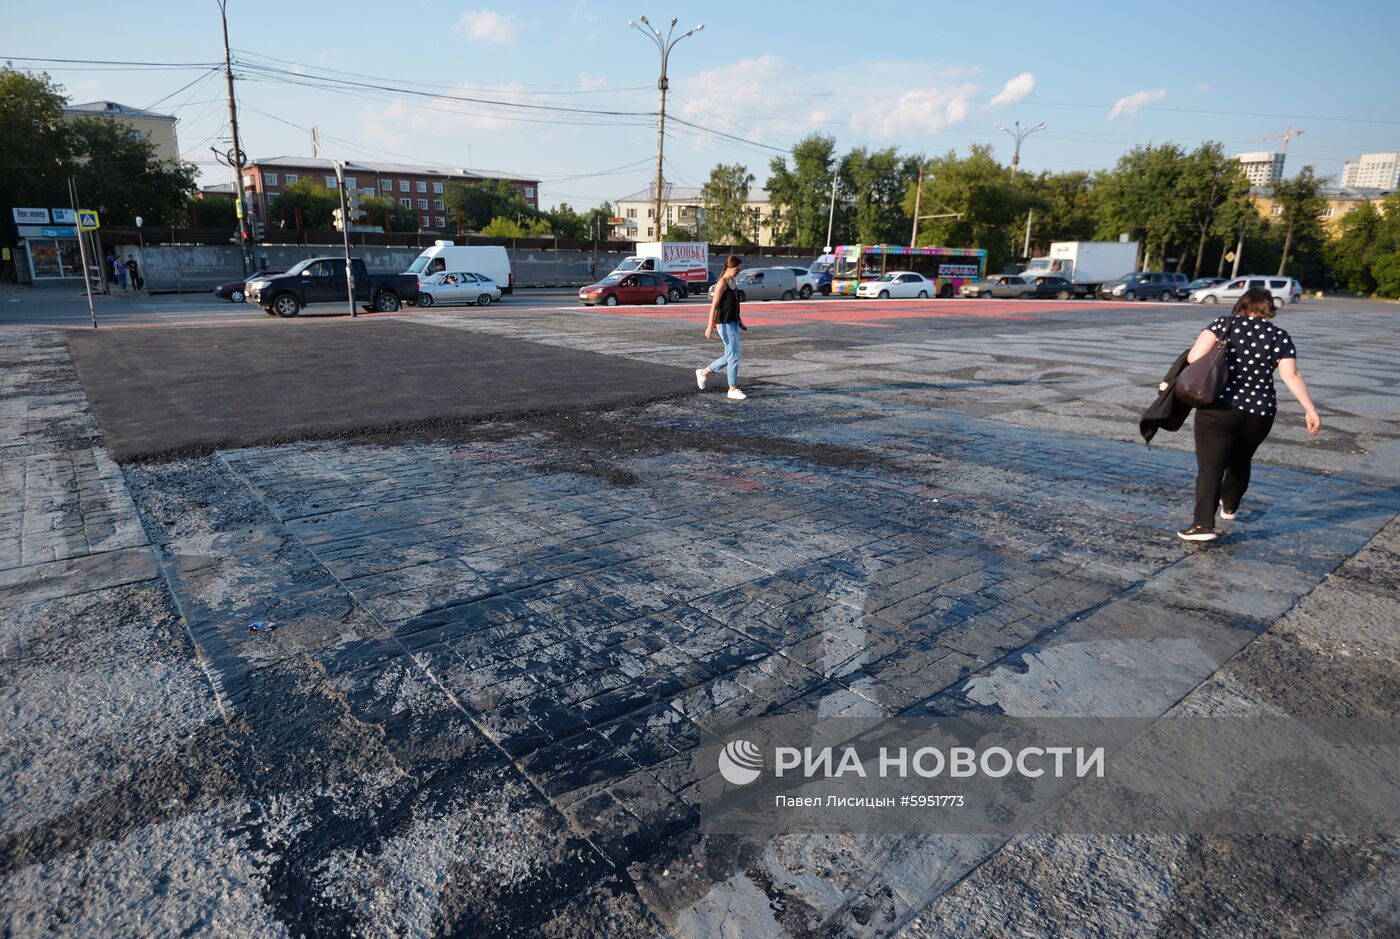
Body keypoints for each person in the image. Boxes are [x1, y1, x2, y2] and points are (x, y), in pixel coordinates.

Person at [1177, 287, 1320, 542]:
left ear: (1242, 304)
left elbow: (1195, 356)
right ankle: (1229, 507)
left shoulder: (1223, 324)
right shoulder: (1280, 336)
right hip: (1260, 412)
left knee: (1210, 468)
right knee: (1242, 459)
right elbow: (1291, 375)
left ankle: (1202, 526)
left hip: (1218, 407)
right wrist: (1309, 409)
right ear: (1269, 308)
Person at [697, 255, 747, 401]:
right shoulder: (722, 283)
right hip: (723, 324)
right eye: (736, 269)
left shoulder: (733, 281)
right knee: (734, 356)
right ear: (729, 267)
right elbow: (714, 306)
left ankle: (703, 373)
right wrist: (709, 326)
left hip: (732, 322)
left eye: (739, 270)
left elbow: (735, 305)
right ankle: (732, 388)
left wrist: (740, 321)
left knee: (730, 356)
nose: (738, 272)